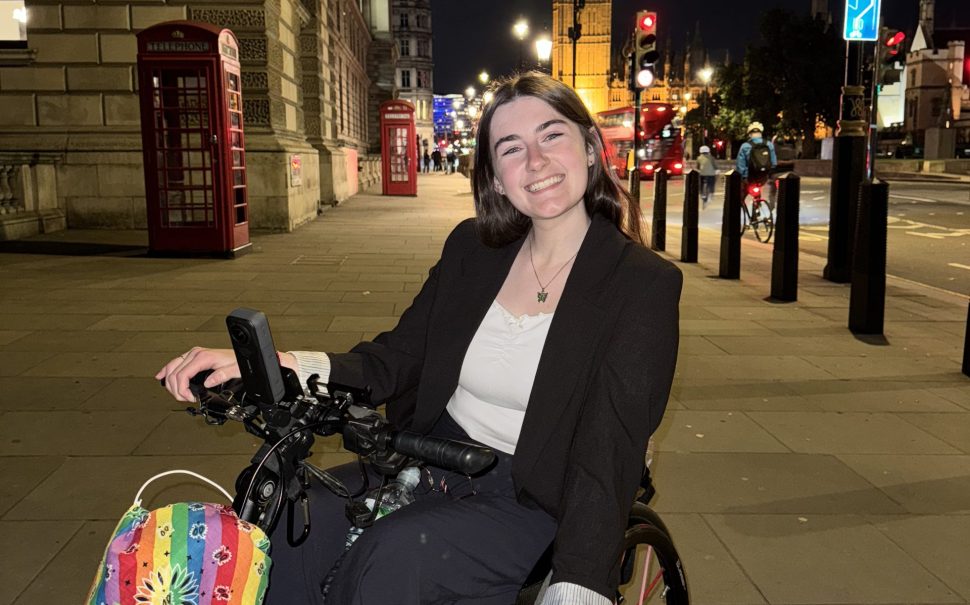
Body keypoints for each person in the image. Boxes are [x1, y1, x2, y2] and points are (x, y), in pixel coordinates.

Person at [156, 72, 682, 605]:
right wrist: (280, 363)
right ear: (496, 178)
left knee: (390, 562)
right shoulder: (472, 252)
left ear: (590, 148)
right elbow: (398, 358)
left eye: (552, 135)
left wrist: (581, 581)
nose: (536, 161)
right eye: (511, 148)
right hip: (430, 460)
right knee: (292, 524)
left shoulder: (641, 285)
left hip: (538, 496)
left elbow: (609, 446)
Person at [735, 121, 777, 202]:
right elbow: (774, 162)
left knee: (742, 194)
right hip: (763, 176)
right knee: (758, 189)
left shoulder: (745, 146)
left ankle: (739, 208)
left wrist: (743, 176)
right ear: (761, 133)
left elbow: (740, 164)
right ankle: (757, 206)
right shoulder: (769, 144)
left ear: (750, 134)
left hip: (749, 176)